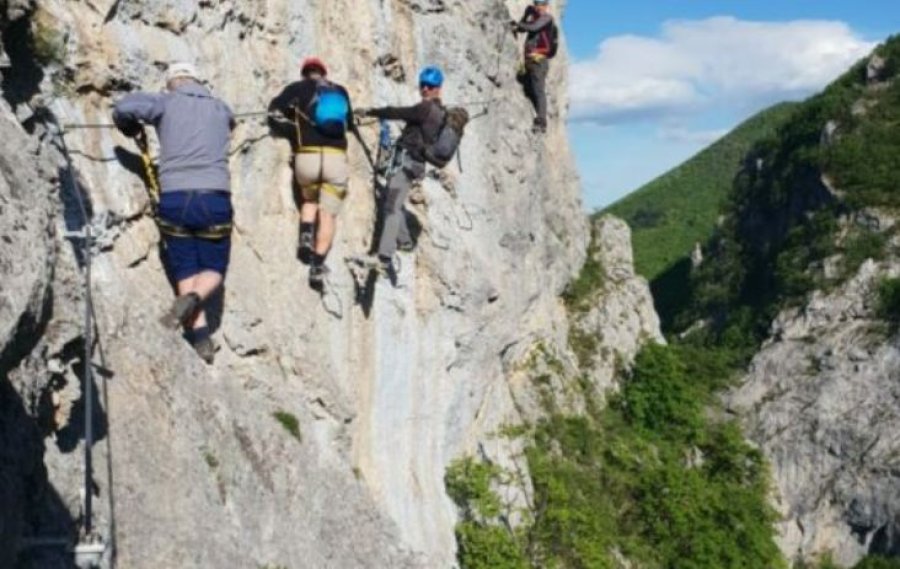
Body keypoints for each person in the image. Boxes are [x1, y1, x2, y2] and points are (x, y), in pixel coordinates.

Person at [112, 62, 235, 364]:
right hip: (213, 197)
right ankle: (192, 301)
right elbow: (230, 123)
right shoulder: (221, 108)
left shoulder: (164, 103)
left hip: (175, 198)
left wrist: (133, 128)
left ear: (171, 84)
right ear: (197, 81)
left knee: (186, 269)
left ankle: (200, 337)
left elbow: (123, 108)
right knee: (213, 268)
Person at [268, 57, 359, 291]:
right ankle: (317, 266)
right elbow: (349, 124)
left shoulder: (297, 88)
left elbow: (274, 110)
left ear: (304, 73)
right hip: (335, 158)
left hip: (306, 157)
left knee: (309, 199)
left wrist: (291, 122)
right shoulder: (340, 91)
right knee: (328, 215)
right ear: (324, 73)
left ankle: (305, 237)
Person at [356, 66, 446, 286]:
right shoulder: (441, 114)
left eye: (430, 86)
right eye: (423, 85)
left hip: (407, 163)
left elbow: (398, 112)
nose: (425, 89)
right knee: (394, 202)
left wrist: (371, 112)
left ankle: (384, 258)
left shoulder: (425, 109)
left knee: (391, 207)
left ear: (438, 88)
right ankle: (405, 241)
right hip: (414, 164)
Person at [512, 0, 555, 134]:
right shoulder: (535, 18)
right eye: (537, 4)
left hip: (539, 61)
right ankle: (536, 118)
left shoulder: (547, 19)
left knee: (538, 90)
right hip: (530, 61)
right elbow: (521, 28)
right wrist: (524, 17)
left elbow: (533, 28)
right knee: (531, 90)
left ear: (546, 6)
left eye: (541, 5)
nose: (539, 7)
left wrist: (521, 23)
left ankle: (541, 121)